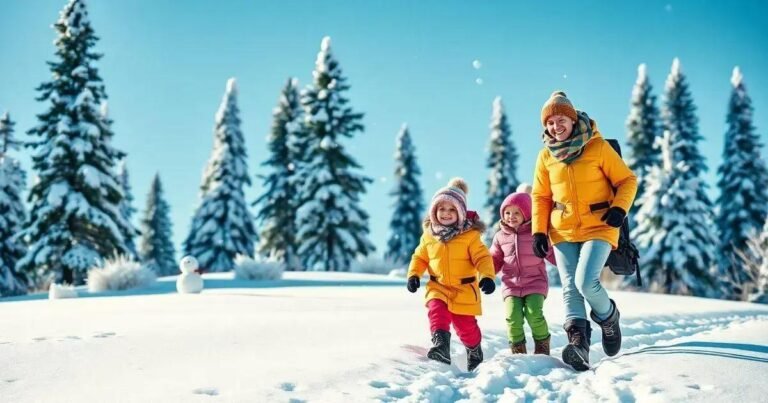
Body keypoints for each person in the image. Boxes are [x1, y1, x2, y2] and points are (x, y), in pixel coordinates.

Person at [531, 91, 638, 371]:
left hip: (600, 225)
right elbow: (541, 197)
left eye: (561, 119)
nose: (556, 126)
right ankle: (578, 345)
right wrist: (539, 231)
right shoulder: (545, 157)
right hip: (563, 231)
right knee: (569, 287)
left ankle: (609, 317)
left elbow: (628, 180)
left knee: (585, 281)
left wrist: (619, 208)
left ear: (573, 118)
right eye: (551, 122)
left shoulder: (597, 146)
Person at [407, 177, 496, 371]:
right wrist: (413, 274)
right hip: (437, 286)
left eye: (452, 209)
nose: (446, 213)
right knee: (436, 312)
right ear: (434, 211)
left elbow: (483, 258)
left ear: (461, 212)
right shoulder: (429, 235)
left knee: (465, 327)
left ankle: (474, 350)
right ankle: (441, 346)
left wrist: (488, 276)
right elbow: (420, 256)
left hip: (464, 288)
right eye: (442, 209)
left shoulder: (470, 236)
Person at [489, 188, 555, 355]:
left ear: (527, 213)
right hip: (511, 284)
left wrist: (567, 263)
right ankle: (518, 350)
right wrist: (485, 274)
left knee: (534, 314)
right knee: (513, 318)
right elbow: (494, 259)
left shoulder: (537, 234)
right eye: (507, 212)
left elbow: (552, 253)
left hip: (535, 282)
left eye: (517, 212)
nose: (511, 216)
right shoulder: (500, 237)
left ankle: (542, 345)